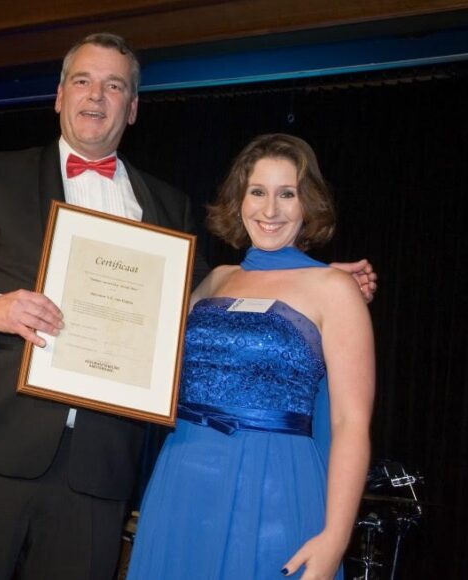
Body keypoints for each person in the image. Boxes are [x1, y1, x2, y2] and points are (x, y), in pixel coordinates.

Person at [0, 32, 375, 579]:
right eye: (83, 81)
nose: (96, 96)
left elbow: (212, 302)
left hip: (100, 476)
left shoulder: (167, 205)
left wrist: (315, 280)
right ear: (59, 95)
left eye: (114, 86)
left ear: (132, 108)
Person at [127, 133, 375, 580]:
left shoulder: (336, 291)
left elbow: (350, 423)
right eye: (257, 192)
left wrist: (336, 538)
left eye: (287, 194)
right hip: (183, 476)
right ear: (239, 199)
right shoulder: (215, 281)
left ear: (309, 203)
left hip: (275, 487)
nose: (270, 210)